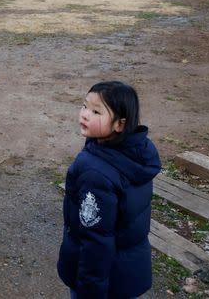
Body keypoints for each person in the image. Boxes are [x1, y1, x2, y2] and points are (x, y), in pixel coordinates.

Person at [57, 81, 161, 298]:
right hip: (127, 273)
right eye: (84, 106)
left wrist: (90, 291)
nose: (85, 114)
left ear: (120, 125)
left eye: (96, 111)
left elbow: (96, 241)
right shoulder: (138, 152)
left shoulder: (95, 172)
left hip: (102, 282)